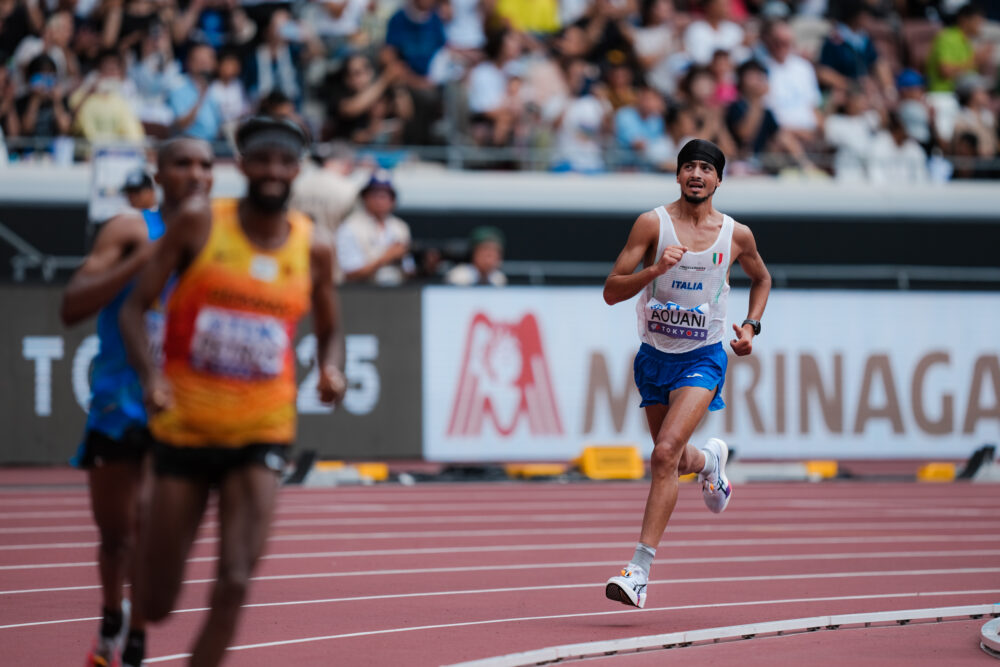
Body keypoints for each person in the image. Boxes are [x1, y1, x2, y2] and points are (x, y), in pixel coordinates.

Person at [119, 116, 347, 667]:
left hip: (263, 428)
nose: (273, 171)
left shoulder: (314, 246)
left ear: (297, 171)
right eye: (262, 160)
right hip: (187, 427)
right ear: (242, 166)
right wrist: (152, 379)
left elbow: (331, 328)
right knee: (157, 601)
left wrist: (330, 369)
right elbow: (134, 308)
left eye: (284, 162)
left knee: (236, 580)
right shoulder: (200, 223)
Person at [60, 137, 215, 667]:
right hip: (120, 401)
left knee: (150, 524)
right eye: (182, 163)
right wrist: (147, 260)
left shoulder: (225, 239)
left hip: (184, 405)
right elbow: (72, 306)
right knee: (116, 536)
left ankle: (137, 643)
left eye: (205, 164)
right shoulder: (129, 229)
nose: (195, 173)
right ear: (158, 173)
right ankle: (112, 617)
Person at [602, 138, 771, 609]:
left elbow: (762, 278)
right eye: (689, 166)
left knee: (662, 453)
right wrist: (655, 269)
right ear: (678, 175)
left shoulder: (735, 234)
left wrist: (751, 327)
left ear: (719, 179)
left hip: (703, 357)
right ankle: (710, 462)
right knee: (675, 462)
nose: (697, 174)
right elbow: (612, 290)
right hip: (653, 357)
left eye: (706, 168)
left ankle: (638, 572)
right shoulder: (651, 224)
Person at [336, 170, 413, 285]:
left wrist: (426, 266)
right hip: (363, 290)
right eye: (374, 195)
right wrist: (386, 258)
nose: (379, 201)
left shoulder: (400, 227)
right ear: (365, 198)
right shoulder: (350, 227)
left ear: (392, 200)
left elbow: (409, 270)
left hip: (399, 290)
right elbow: (350, 273)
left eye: (384, 196)